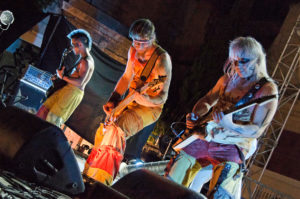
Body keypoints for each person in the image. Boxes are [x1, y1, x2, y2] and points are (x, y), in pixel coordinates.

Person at [165, 37, 278, 198]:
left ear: (257, 60)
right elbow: (207, 100)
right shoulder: (228, 79)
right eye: (235, 61)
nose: (238, 66)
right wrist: (197, 115)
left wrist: (230, 124)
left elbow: (256, 130)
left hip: (233, 144)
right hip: (206, 137)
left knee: (220, 192)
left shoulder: (267, 90)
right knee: (172, 176)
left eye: (243, 61)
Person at [83, 18, 172, 185]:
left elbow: (163, 97)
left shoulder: (162, 60)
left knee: (118, 130)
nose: (136, 45)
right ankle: (88, 175)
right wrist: (114, 99)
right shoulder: (132, 51)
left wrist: (144, 98)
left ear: (152, 39)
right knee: (105, 129)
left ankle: (102, 181)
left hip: (149, 108)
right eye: (134, 41)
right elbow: (126, 77)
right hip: (131, 100)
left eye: (141, 42)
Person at [36, 29, 94, 127]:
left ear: (80, 44)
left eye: (73, 44)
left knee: (52, 119)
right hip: (67, 89)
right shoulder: (82, 59)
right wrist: (61, 77)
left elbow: (80, 82)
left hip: (73, 92)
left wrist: (62, 76)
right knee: (43, 110)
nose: (72, 47)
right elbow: (75, 76)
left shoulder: (86, 62)